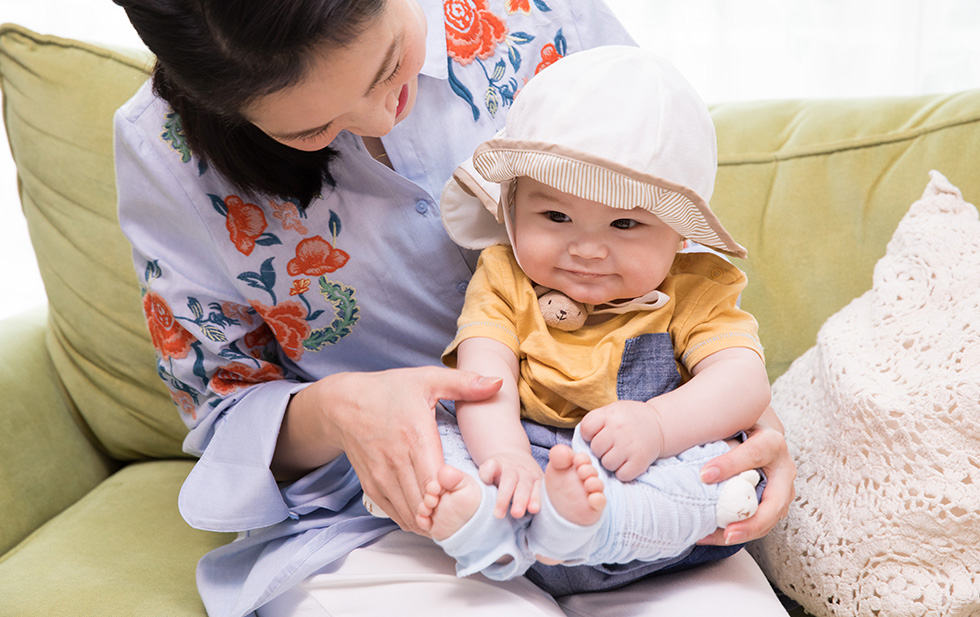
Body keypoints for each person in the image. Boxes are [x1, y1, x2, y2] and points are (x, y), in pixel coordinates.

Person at [111, 0, 796, 615]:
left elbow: (665, 229)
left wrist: (723, 410)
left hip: (628, 474)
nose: (381, 115)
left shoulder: (542, 16)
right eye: (313, 127)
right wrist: (344, 410)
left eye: (389, 64)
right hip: (390, 509)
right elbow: (223, 404)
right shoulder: (163, 147)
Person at [411, 45, 771, 590]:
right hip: (523, 457)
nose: (586, 249)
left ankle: (591, 529)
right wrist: (506, 458)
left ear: (680, 237)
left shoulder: (694, 287)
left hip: (643, 472)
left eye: (625, 224)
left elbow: (743, 381)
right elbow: (483, 377)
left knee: (724, 470)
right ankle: (483, 523)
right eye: (555, 215)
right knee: (437, 436)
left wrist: (659, 425)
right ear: (510, 208)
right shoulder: (505, 275)